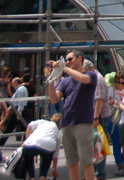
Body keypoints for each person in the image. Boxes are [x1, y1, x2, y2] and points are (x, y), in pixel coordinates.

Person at [47, 51, 98, 180]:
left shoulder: (91, 74)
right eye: (67, 60)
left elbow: (82, 79)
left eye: (70, 59)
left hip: (83, 122)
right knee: (71, 162)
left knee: (86, 161)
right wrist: (50, 80)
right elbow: (54, 99)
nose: (68, 62)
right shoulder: (65, 82)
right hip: (67, 123)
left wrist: (63, 68)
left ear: (79, 58)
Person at [84, 59, 111, 180]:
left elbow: (99, 99)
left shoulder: (97, 79)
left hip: (99, 116)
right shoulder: (94, 78)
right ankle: (94, 173)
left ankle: (99, 174)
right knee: (94, 144)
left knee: (98, 144)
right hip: (96, 115)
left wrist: (95, 117)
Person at [21, 113, 62, 180]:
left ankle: (32, 177)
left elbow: (30, 126)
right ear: (59, 125)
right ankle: (42, 176)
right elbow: (55, 155)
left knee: (28, 158)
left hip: (31, 142)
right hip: (48, 145)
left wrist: (26, 141)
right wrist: (54, 169)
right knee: (46, 160)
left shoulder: (42, 122)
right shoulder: (58, 133)